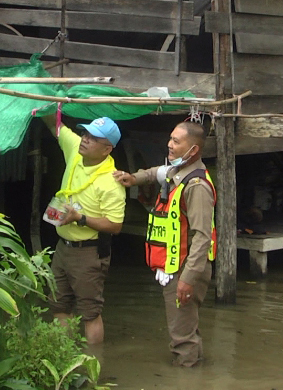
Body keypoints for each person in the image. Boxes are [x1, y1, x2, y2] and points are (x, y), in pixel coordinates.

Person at [114, 121, 215, 367]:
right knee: (186, 327)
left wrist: (187, 278)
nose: (169, 144)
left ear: (193, 150)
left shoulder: (197, 187)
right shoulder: (177, 172)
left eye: (176, 141)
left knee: (182, 337)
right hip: (174, 265)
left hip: (185, 267)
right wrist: (133, 178)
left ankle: (186, 380)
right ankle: (196, 373)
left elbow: (202, 237)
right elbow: (156, 172)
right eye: (170, 138)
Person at [41, 115, 125, 346]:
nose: (85, 139)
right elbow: (55, 125)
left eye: (93, 138)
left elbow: (115, 225)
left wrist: (80, 218)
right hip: (62, 248)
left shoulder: (111, 182)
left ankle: (94, 362)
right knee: (58, 306)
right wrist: (43, 106)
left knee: (90, 312)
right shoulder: (75, 149)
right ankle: (65, 355)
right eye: (85, 134)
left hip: (88, 253)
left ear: (107, 149)